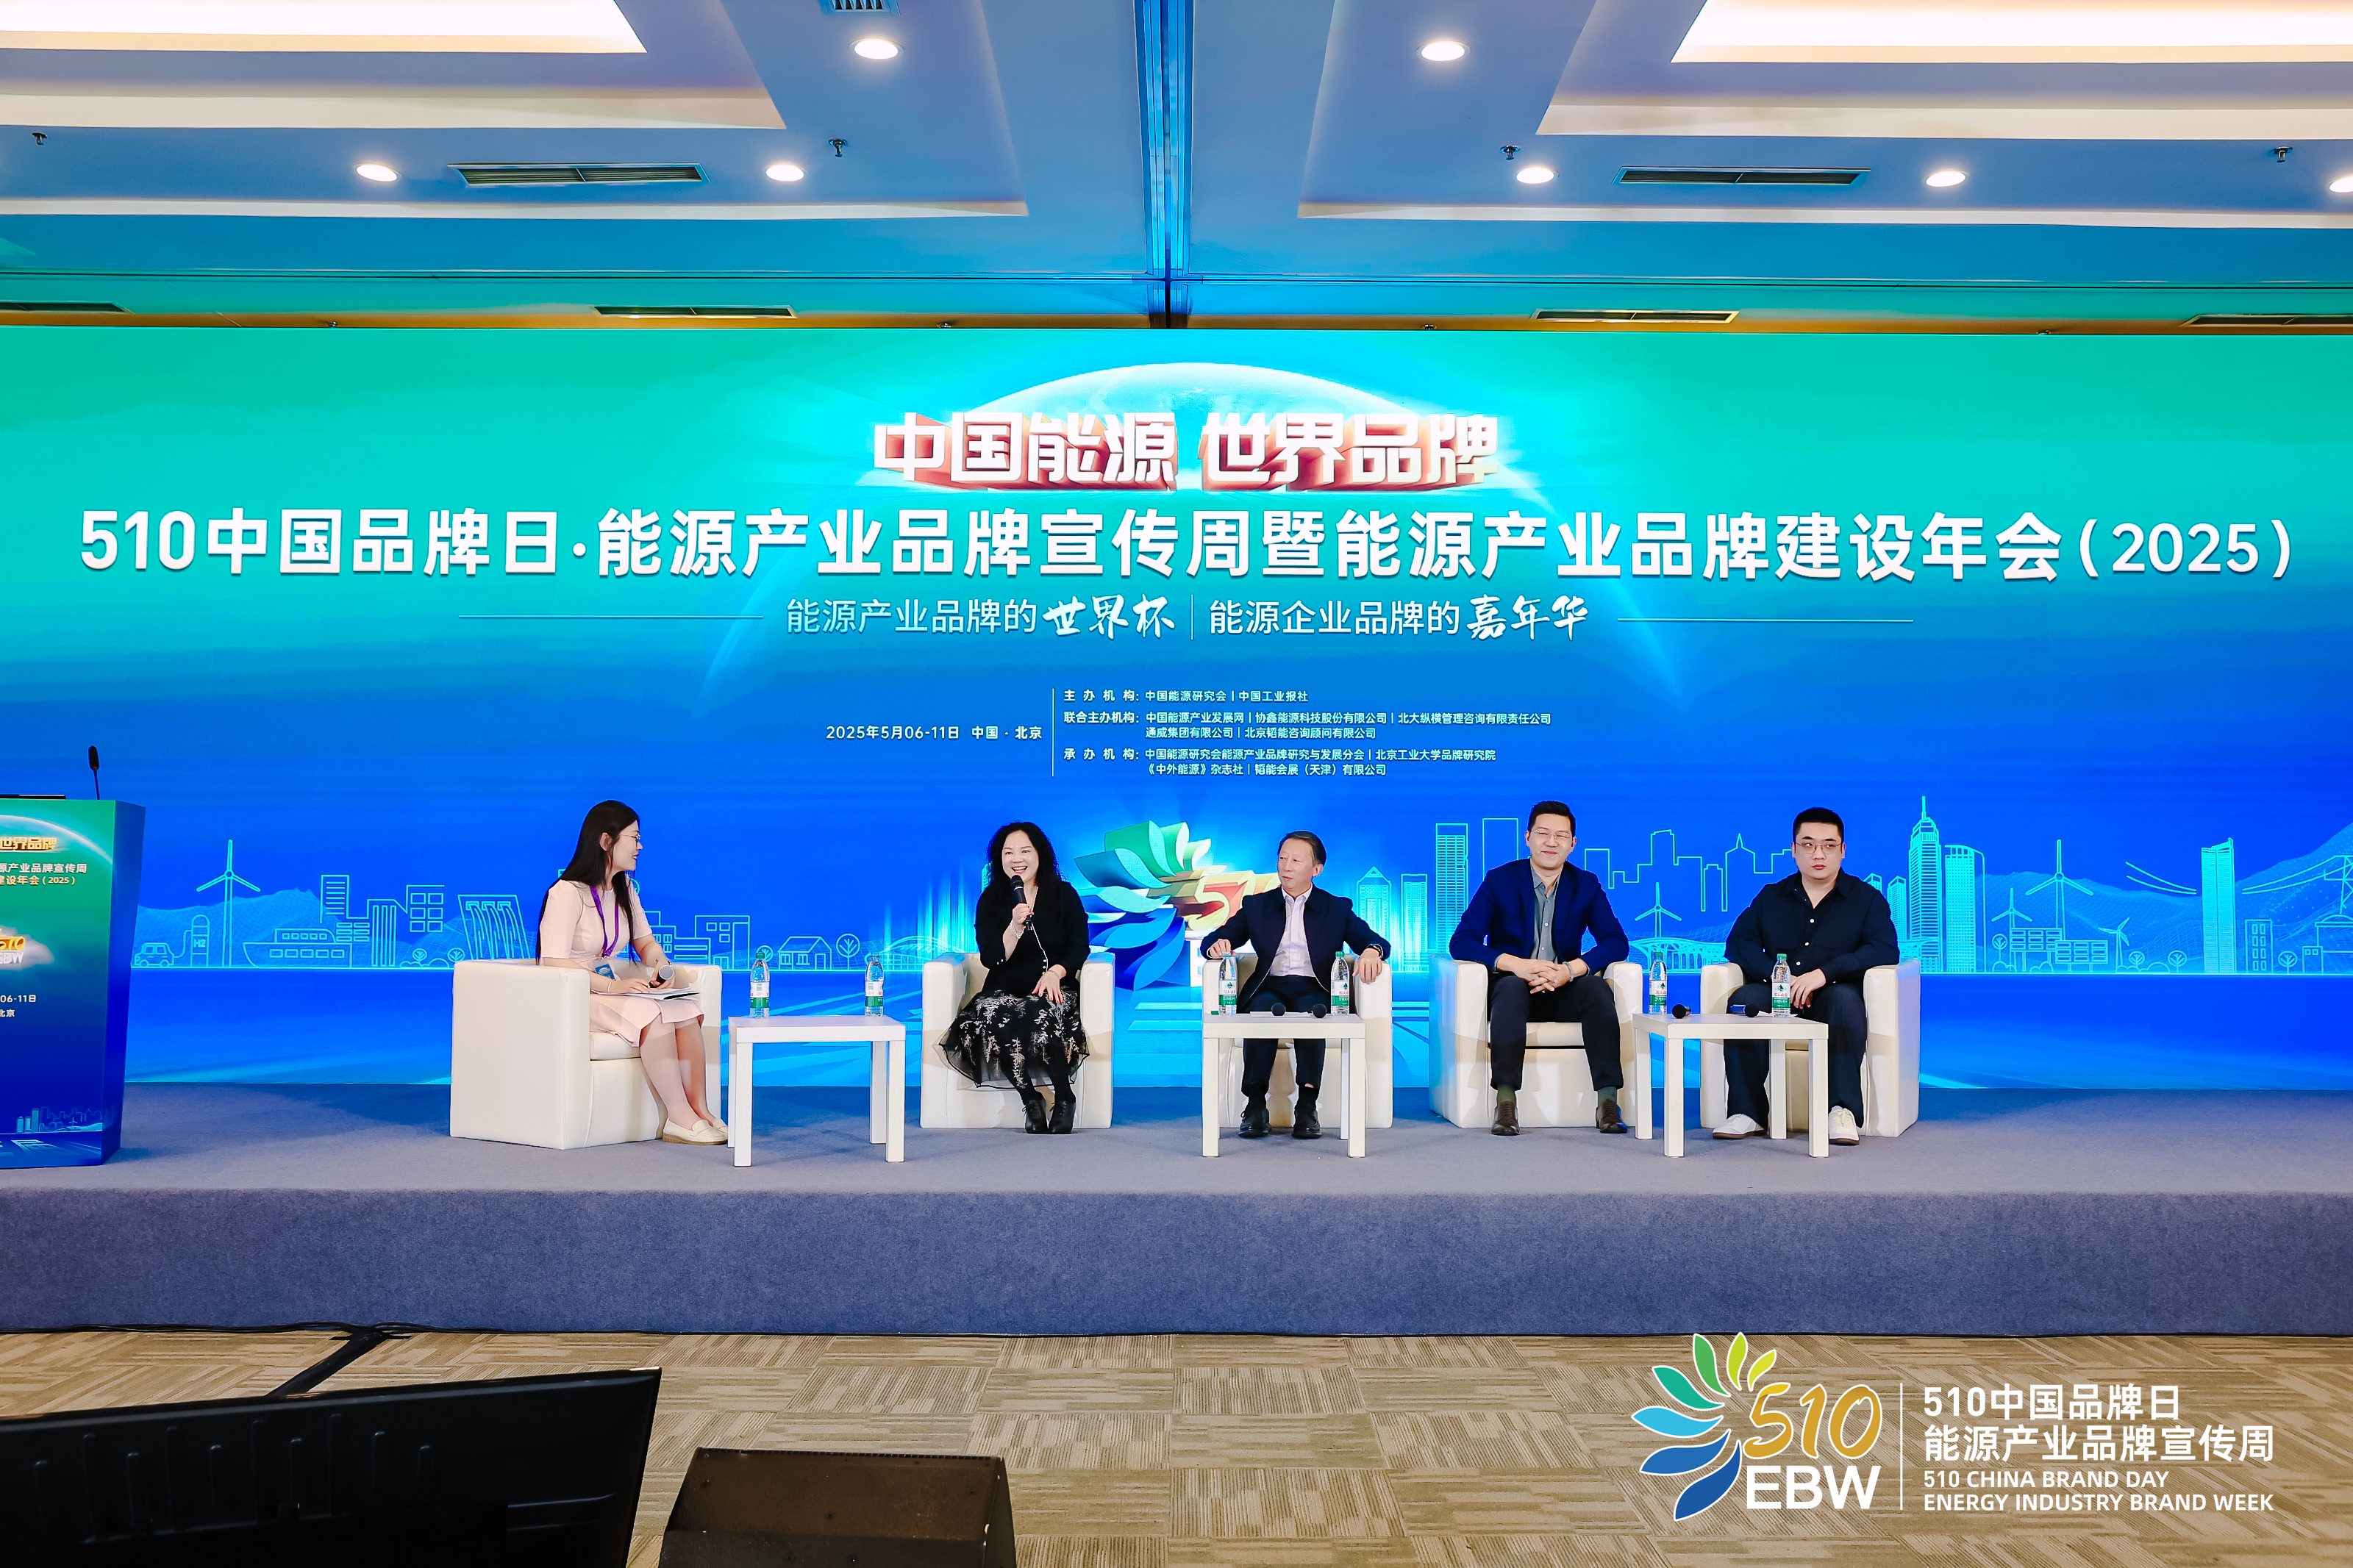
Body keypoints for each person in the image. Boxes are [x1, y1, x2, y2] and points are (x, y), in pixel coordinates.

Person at [537, 800, 724, 1145]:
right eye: (634, 838)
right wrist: (612, 987)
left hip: (610, 987)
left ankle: (701, 1109)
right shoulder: (566, 893)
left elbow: (645, 942)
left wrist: (662, 966)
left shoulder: (625, 889)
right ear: (606, 841)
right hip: (576, 993)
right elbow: (554, 961)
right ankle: (679, 1117)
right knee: (651, 1014)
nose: (640, 846)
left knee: (685, 1010)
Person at [1718, 807, 1898, 1148]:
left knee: (1844, 1001)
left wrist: (1824, 974)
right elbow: (1739, 943)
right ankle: (1746, 1112)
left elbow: (1884, 950)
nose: (1818, 854)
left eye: (1829, 845)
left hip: (1833, 994)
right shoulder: (1772, 896)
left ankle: (1841, 1111)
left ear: (1843, 850)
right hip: (1778, 993)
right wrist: (1779, 979)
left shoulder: (1866, 899)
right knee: (1744, 1000)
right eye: (1809, 844)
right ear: (1793, 849)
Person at [1449, 801, 1631, 1136]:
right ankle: (1506, 1103)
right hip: (1514, 988)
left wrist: (1571, 970)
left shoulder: (1586, 884)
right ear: (1528, 837)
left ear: (1573, 844)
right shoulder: (1500, 880)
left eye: (1561, 836)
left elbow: (1616, 942)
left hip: (1564, 987)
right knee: (1509, 988)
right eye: (1543, 834)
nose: (1551, 842)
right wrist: (1516, 965)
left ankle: (1608, 1103)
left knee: (1596, 988)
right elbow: (1462, 941)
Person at [1202, 831, 1390, 1141]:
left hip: (1314, 988)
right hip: (1269, 986)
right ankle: (1255, 1105)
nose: (1286, 866)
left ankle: (1307, 1106)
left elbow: (1374, 940)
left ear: (1317, 869)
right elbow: (1217, 938)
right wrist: (1217, 945)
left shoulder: (1336, 908)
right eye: (1282, 858)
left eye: (1296, 860)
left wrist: (1371, 950)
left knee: (1312, 1014)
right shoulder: (1257, 905)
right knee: (1261, 1011)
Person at [943, 822, 1092, 1134]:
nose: (1016, 859)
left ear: (1040, 855)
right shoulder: (991, 899)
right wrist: (1014, 926)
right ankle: (1030, 1098)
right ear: (999, 859)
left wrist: (1056, 972)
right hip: (1004, 990)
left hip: (1052, 987)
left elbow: (1079, 946)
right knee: (990, 1012)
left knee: (1038, 1011)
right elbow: (992, 958)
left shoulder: (1064, 894)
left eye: (1025, 851)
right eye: (1008, 853)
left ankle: (1064, 1097)